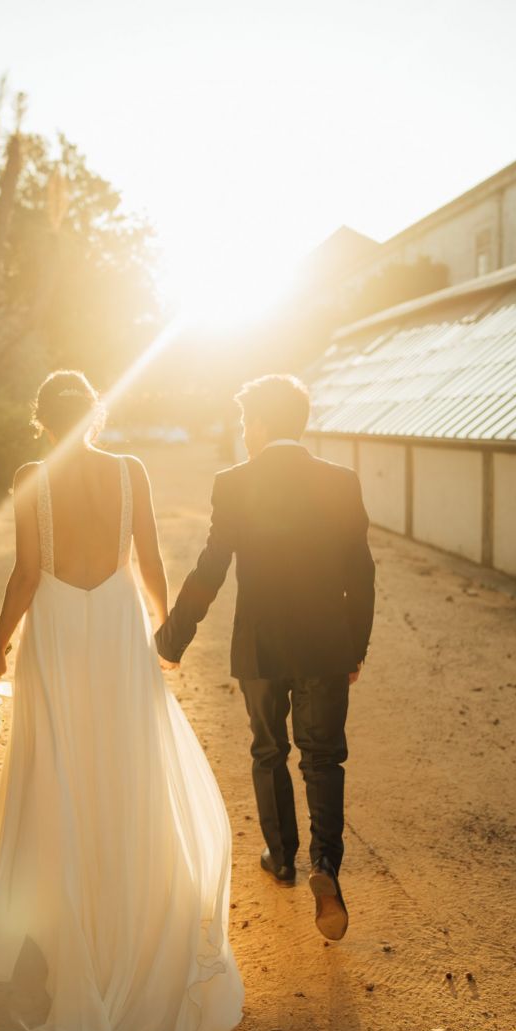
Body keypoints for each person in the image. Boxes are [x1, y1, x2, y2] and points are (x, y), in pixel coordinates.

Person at [0, 370, 243, 1031]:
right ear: (96, 415)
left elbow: (24, 573)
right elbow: (148, 558)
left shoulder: (30, 475)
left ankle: (72, 932)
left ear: (41, 420)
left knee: (62, 772)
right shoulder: (129, 470)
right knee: (129, 768)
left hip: (55, 630)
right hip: (115, 628)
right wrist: (165, 630)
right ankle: (129, 926)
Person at [156, 375, 375, 941]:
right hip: (327, 643)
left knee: (269, 748)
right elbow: (361, 571)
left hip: (259, 645)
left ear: (260, 425)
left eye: (244, 423)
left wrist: (172, 639)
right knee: (324, 758)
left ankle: (281, 858)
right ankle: (326, 867)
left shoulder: (234, 483)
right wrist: (355, 646)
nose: (243, 433)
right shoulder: (340, 481)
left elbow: (211, 569)